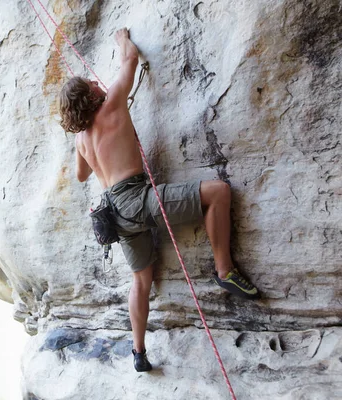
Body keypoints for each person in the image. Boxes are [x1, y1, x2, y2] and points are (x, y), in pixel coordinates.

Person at [59, 28, 260, 373]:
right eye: (91, 84)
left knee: (141, 280)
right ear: (89, 94)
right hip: (136, 196)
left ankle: (137, 352)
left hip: (113, 214)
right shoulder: (111, 105)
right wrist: (120, 38)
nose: (97, 84)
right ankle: (224, 270)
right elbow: (131, 59)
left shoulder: (81, 141)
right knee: (218, 192)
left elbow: (80, 175)